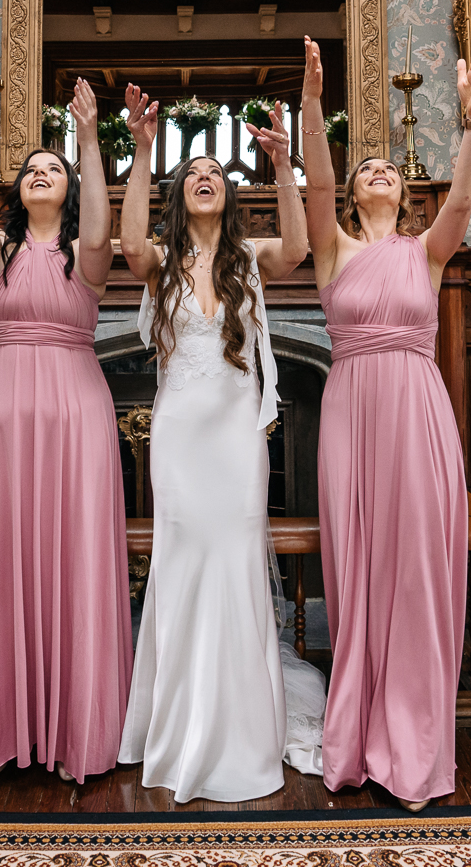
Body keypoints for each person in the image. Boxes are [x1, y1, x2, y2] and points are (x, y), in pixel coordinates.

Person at [114, 60, 322, 802]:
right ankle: (176, 728)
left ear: (230, 192)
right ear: (180, 192)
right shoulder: (162, 262)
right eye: (192, 170)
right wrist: (142, 151)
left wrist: (283, 163)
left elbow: (298, 247)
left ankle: (238, 728)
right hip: (177, 438)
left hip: (236, 439)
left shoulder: (250, 260)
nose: (204, 174)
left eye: (214, 169)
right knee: (183, 564)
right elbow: (129, 244)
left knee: (234, 561)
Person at [306, 37, 471, 812]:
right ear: (354, 197)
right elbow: (313, 181)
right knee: (356, 570)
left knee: (415, 567)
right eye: (365, 172)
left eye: (388, 169)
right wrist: (314, 107)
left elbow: (465, 202)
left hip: (417, 411)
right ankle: (356, 733)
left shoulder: (428, 253)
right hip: (350, 414)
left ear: (402, 193)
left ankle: (414, 739)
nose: (377, 172)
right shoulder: (335, 247)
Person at [0, 75, 131, 784]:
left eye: (54, 171)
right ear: (17, 194)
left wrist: (88, 138)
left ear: (68, 189)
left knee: (74, 551)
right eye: (30, 170)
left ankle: (74, 726)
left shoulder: (88, 255)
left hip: (76, 413)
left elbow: (105, 228)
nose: (40, 174)